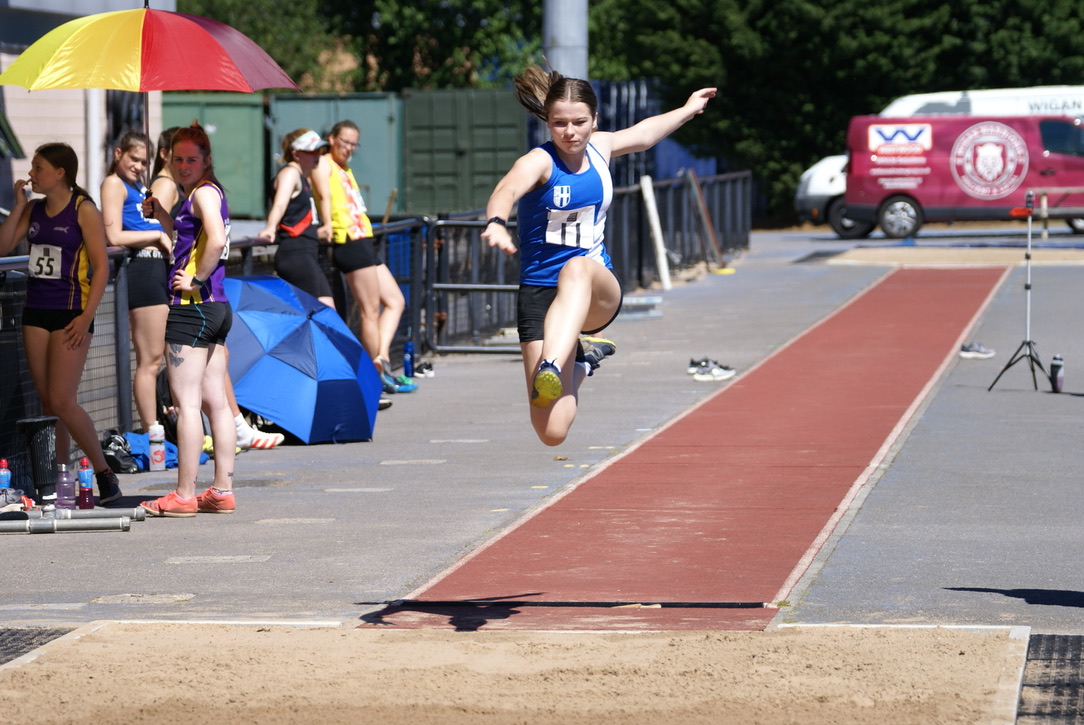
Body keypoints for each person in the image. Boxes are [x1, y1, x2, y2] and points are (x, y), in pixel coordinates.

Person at [481, 66, 716, 446]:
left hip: (594, 288)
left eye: (579, 122)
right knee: (551, 431)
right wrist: (496, 221)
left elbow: (645, 134)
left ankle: (553, 362)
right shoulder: (538, 162)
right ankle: (582, 361)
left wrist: (688, 109)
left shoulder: (601, 147)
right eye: (559, 123)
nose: (569, 132)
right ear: (548, 122)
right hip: (540, 293)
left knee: (575, 266)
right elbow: (506, 190)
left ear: (595, 120)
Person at [0, 142, 123, 503]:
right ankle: (57, 479)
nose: (31, 174)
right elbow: (3, 247)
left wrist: (86, 317)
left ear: (59, 173)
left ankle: (104, 473)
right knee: (48, 404)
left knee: (62, 399)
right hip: (36, 311)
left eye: (38, 168)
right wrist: (18, 206)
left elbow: (101, 267)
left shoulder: (83, 209)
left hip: (71, 312)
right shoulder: (34, 209)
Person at [140, 123, 236, 517]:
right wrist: (162, 214)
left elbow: (215, 239)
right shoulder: (202, 194)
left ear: (207, 160)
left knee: (188, 404)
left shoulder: (203, 194)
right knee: (217, 403)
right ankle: (221, 491)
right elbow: (189, 240)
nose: (183, 166)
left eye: (192, 159)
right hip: (215, 308)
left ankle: (183, 494)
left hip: (192, 307)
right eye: (177, 159)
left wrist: (195, 279)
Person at [311, 120, 416, 397]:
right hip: (349, 241)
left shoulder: (344, 168)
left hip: (363, 238)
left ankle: (380, 359)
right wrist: (327, 223)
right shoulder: (323, 163)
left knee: (395, 301)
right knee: (369, 310)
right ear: (332, 139)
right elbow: (323, 196)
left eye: (353, 144)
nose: (349, 148)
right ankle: (377, 374)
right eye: (344, 142)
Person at [100, 129, 172, 433]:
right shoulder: (114, 183)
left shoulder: (139, 186)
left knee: (170, 355)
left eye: (144, 162)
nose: (140, 166)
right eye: (134, 159)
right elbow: (113, 235)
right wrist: (156, 236)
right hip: (141, 270)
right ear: (118, 153)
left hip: (158, 268)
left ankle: (166, 425)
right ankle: (152, 432)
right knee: (150, 359)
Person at [258, 128, 335, 309]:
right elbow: (280, 204)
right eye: (311, 151)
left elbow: (298, 216)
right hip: (296, 255)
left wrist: (319, 230)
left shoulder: (303, 177)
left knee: (328, 311)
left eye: (319, 150)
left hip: (308, 253)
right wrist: (270, 227)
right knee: (312, 314)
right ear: (296, 154)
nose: (317, 155)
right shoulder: (290, 173)